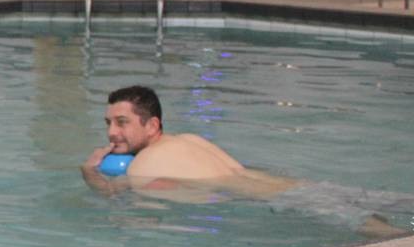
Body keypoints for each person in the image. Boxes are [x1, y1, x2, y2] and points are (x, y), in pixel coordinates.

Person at [82, 86, 409, 234]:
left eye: (122, 123)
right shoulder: (189, 140)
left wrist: (90, 173)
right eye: (108, 123)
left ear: (152, 125)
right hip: (298, 186)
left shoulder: (144, 164)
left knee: (390, 239)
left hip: (289, 200)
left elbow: (121, 200)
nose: (112, 132)